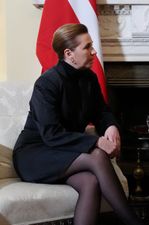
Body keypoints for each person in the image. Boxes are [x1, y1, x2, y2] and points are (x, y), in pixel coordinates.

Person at [13, 23, 142, 225]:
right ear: (69, 53)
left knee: (90, 182)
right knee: (97, 154)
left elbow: (102, 112)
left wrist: (110, 126)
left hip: (64, 152)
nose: (93, 51)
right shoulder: (46, 83)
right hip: (35, 154)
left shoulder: (89, 78)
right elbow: (51, 134)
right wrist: (97, 142)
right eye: (87, 47)